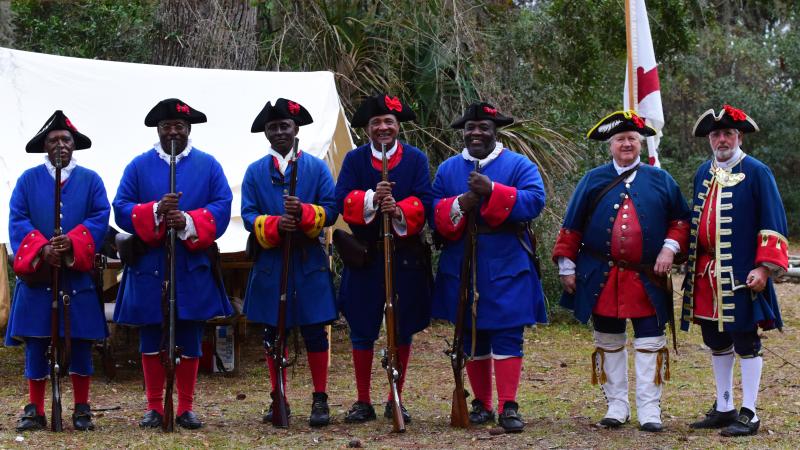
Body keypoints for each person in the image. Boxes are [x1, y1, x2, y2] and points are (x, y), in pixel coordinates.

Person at [552, 111, 690, 432]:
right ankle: (617, 405)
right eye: (620, 139)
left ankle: (649, 408)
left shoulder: (661, 179)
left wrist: (669, 248)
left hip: (647, 277)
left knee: (649, 340)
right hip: (602, 275)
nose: (626, 144)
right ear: (610, 145)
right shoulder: (592, 180)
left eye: (631, 138)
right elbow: (571, 226)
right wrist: (567, 266)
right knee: (609, 340)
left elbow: (681, 220)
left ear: (640, 142)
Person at [112, 98, 233, 430]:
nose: (172, 132)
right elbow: (120, 207)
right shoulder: (138, 166)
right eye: (166, 127)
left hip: (191, 262)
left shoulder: (209, 166)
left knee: (191, 334)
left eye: (178, 126)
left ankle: (186, 407)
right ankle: (154, 406)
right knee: (151, 335)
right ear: (158, 130)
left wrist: (188, 221)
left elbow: (222, 205)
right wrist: (155, 211)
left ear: (188, 128)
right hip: (150, 264)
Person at [431, 102, 548, 433]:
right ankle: (481, 403)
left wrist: (494, 191)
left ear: (495, 130)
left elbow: (535, 201)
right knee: (471, 335)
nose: (476, 133)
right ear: (463, 132)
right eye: (470, 127)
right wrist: (461, 203)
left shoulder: (518, 165)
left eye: (483, 127)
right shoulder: (448, 169)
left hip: (507, 259)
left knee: (508, 332)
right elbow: (434, 212)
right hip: (461, 261)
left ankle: (508, 404)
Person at [681, 105, 789, 437]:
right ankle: (725, 406)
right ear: (710, 140)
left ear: (738, 137)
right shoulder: (703, 171)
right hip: (706, 274)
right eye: (716, 134)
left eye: (728, 133)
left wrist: (764, 267)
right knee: (715, 339)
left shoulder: (757, 171)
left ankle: (750, 413)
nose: (722, 139)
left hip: (743, 274)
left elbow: (773, 220)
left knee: (746, 340)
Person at [6, 110, 110, 431]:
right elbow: (17, 219)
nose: (61, 145)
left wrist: (73, 244)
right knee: (36, 345)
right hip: (39, 278)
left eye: (66, 139)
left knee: (80, 343)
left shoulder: (91, 180)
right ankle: (34, 408)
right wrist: (42, 248)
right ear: (44, 146)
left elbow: (99, 217)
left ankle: (81, 408)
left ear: (74, 145)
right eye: (54, 140)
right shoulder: (27, 181)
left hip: (76, 277)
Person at [335, 94, 433, 423]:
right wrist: (371, 200)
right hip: (365, 257)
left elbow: (426, 199)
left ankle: (396, 397)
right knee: (362, 328)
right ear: (367, 128)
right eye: (376, 122)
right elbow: (341, 199)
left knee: (401, 329)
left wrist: (400, 209)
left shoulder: (416, 159)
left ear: (397, 126)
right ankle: (363, 400)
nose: (383, 127)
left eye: (388, 122)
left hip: (404, 258)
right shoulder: (355, 160)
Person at [241, 98, 338, 427]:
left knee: (314, 332)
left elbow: (331, 208)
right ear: (266, 133)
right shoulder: (255, 172)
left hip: (307, 259)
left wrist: (306, 215)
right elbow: (248, 214)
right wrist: (274, 225)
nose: (279, 131)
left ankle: (320, 398)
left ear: (296, 129)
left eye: (284, 126)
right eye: (273, 127)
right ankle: (277, 396)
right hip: (271, 261)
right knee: (273, 333)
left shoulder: (316, 167)